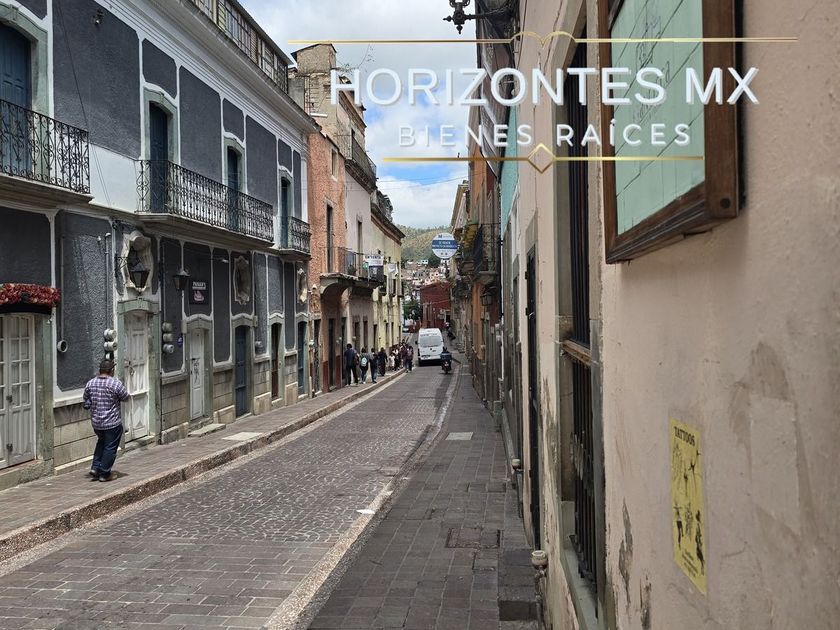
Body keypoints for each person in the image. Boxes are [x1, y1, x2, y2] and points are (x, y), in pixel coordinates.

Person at [83, 359, 130, 482]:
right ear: (111, 370)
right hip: (112, 423)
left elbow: (86, 400)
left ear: (100, 370)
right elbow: (125, 397)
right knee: (110, 447)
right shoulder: (115, 384)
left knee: (101, 443)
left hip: (97, 423)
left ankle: (95, 468)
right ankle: (104, 473)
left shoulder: (90, 383)